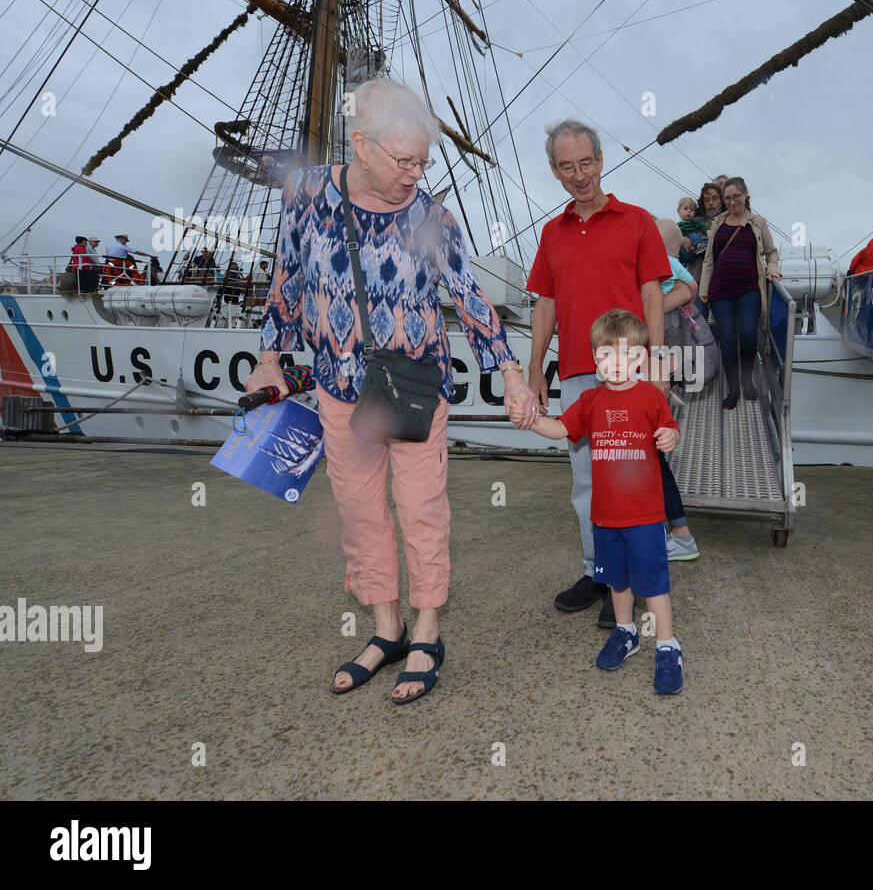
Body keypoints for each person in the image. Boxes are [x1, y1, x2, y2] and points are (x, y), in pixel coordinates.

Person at [246, 77, 531, 704]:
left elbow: (471, 297)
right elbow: (286, 279)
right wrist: (269, 357)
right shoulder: (308, 193)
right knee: (360, 512)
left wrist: (510, 372)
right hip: (340, 389)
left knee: (422, 509)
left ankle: (428, 628)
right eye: (404, 160)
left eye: (423, 161)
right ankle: (387, 629)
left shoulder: (431, 216)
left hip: (414, 388)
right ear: (361, 144)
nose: (415, 173)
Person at [516, 118, 671, 629]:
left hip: (631, 373)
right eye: (566, 166)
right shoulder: (551, 233)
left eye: (586, 163)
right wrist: (537, 367)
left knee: (631, 480)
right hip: (581, 374)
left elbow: (653, 294)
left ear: (601, 161)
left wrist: (658, 361)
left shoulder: (638, 221)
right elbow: (546, 304)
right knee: (587, 485)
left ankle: (631, 581)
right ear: (555, 171)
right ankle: (602, 573)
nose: (579, 174)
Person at [525, 309, 684, 694]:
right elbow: (560, 427)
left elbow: (670, 427)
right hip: (606, 516)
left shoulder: (649, 396)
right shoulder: (591, 401)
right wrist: (531, 419)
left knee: (654, 584)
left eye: (627, 355)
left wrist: (669, 437)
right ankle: (626, 633)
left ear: (641, 360)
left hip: (645, 515)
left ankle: (667, 645)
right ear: (596, 359)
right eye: (607, 355)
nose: (617, 364)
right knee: (617, 579)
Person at [699, 176, 781, 410]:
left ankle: (747, 379)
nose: (733, 201)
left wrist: (773, 270)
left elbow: (771, 252)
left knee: (747, 336)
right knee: (727, 340)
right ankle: (733, 388)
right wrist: (704, 289)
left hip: (749, 290)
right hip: (720, 291)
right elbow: (708, 259)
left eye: (736, 196)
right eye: (728, 198)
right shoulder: (718, 222)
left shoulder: (757, 222)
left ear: (746, 195)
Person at [655, 219, 702, 561]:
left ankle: (680, 535)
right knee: (653, 456)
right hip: (662, 349)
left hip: (656, 352)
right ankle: (676, 533)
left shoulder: (664, 264)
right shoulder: (669, 265)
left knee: (653, 456)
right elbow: (692, 286)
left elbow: (690, 287)